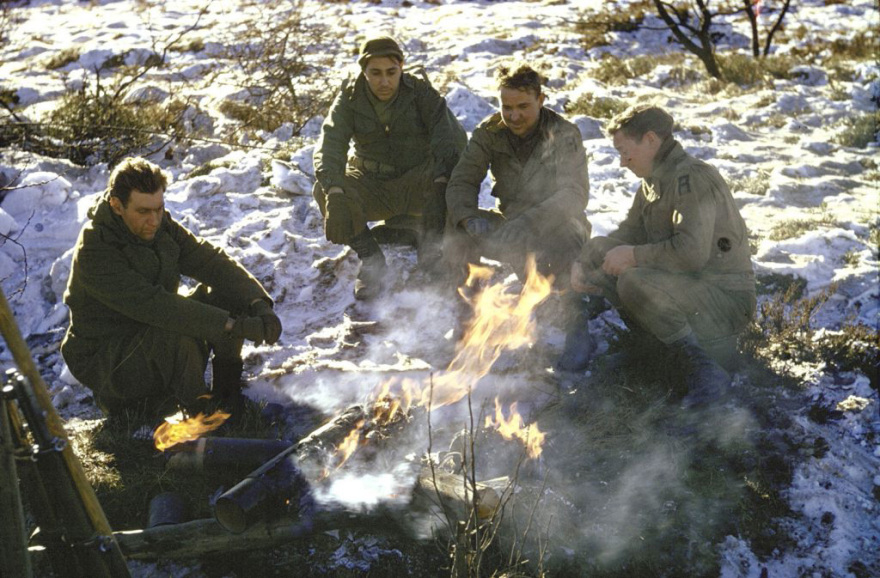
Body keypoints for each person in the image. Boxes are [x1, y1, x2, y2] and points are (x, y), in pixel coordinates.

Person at [61, 157, 282, 419]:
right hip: (110, 360)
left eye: (159, 209)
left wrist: (258, 303)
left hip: (151, 337)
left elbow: (208, 260)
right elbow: (156, 306)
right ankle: (203, 419)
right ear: (116, 206)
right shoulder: (95, 249)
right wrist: (233, 326)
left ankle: (227, 399)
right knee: (177, 336)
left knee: (228, 297)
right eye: (143, 211)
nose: (154, 220)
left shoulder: (159, 225)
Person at [571, 104, 756, 407]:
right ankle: (657, 350)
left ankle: (706, 370)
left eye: (625, 151)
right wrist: (585, 258)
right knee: (605, 255)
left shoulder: (691, 178)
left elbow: (691, 254)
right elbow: (627, 233)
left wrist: (632, 255)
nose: (621, 162)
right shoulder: (652, 183)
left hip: (725, 300)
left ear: (651, 140)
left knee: (632, 279)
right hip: (693, 292)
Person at [444, 63, 593, 370]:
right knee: (457, 230)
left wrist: (529, 222)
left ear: (541, 99)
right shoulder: (490, 132)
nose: (513, 116)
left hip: (558, 225)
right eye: (506, 107)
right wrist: (470, 220)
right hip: (511, 224)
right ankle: (467, 318)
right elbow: (462, 181)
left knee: (566, 240)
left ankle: (578, 327)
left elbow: (573, 195)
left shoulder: (564, 133)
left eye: (523, 107)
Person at [313, 35, 467, 300]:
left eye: (391, 72)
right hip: (373, 183)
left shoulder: (421, 92)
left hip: (419, 183)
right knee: (324, 191)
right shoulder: (349, 98)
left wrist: (442, 181)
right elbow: (330, 145)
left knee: (455, 180)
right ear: (364, 71)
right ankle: (371, 259)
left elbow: (450, 140)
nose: (384, 81)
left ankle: (431, 250)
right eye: (375, 73)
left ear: (402, 68)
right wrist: (335, 190)